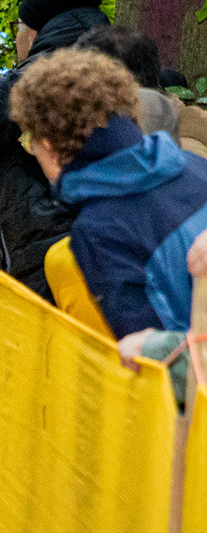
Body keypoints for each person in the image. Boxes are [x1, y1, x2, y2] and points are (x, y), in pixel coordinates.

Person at [11, 48, 207, 344]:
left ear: (49, 146)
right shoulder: (196, 166)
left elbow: (144, 358)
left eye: (30, 142)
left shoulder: (98, 230)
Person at [0, 0, 109, 299]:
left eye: (18, 29)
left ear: (33, 33)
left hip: (55, 266)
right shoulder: (126, 62)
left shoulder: (41, 74)